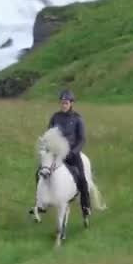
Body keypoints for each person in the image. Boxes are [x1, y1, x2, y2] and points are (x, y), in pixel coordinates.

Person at [47, 89, 91, 219]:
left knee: (82, 178)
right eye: (62, 103)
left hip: (72, 154)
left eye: (66, 103)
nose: (63, 105)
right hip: (57, 154)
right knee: (41, 172)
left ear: (71, 103)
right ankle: (40, 203)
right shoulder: (55, 117)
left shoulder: (77, 118)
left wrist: (74, 152)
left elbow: (82, 139)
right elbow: (49, 134)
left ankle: (86, 206)